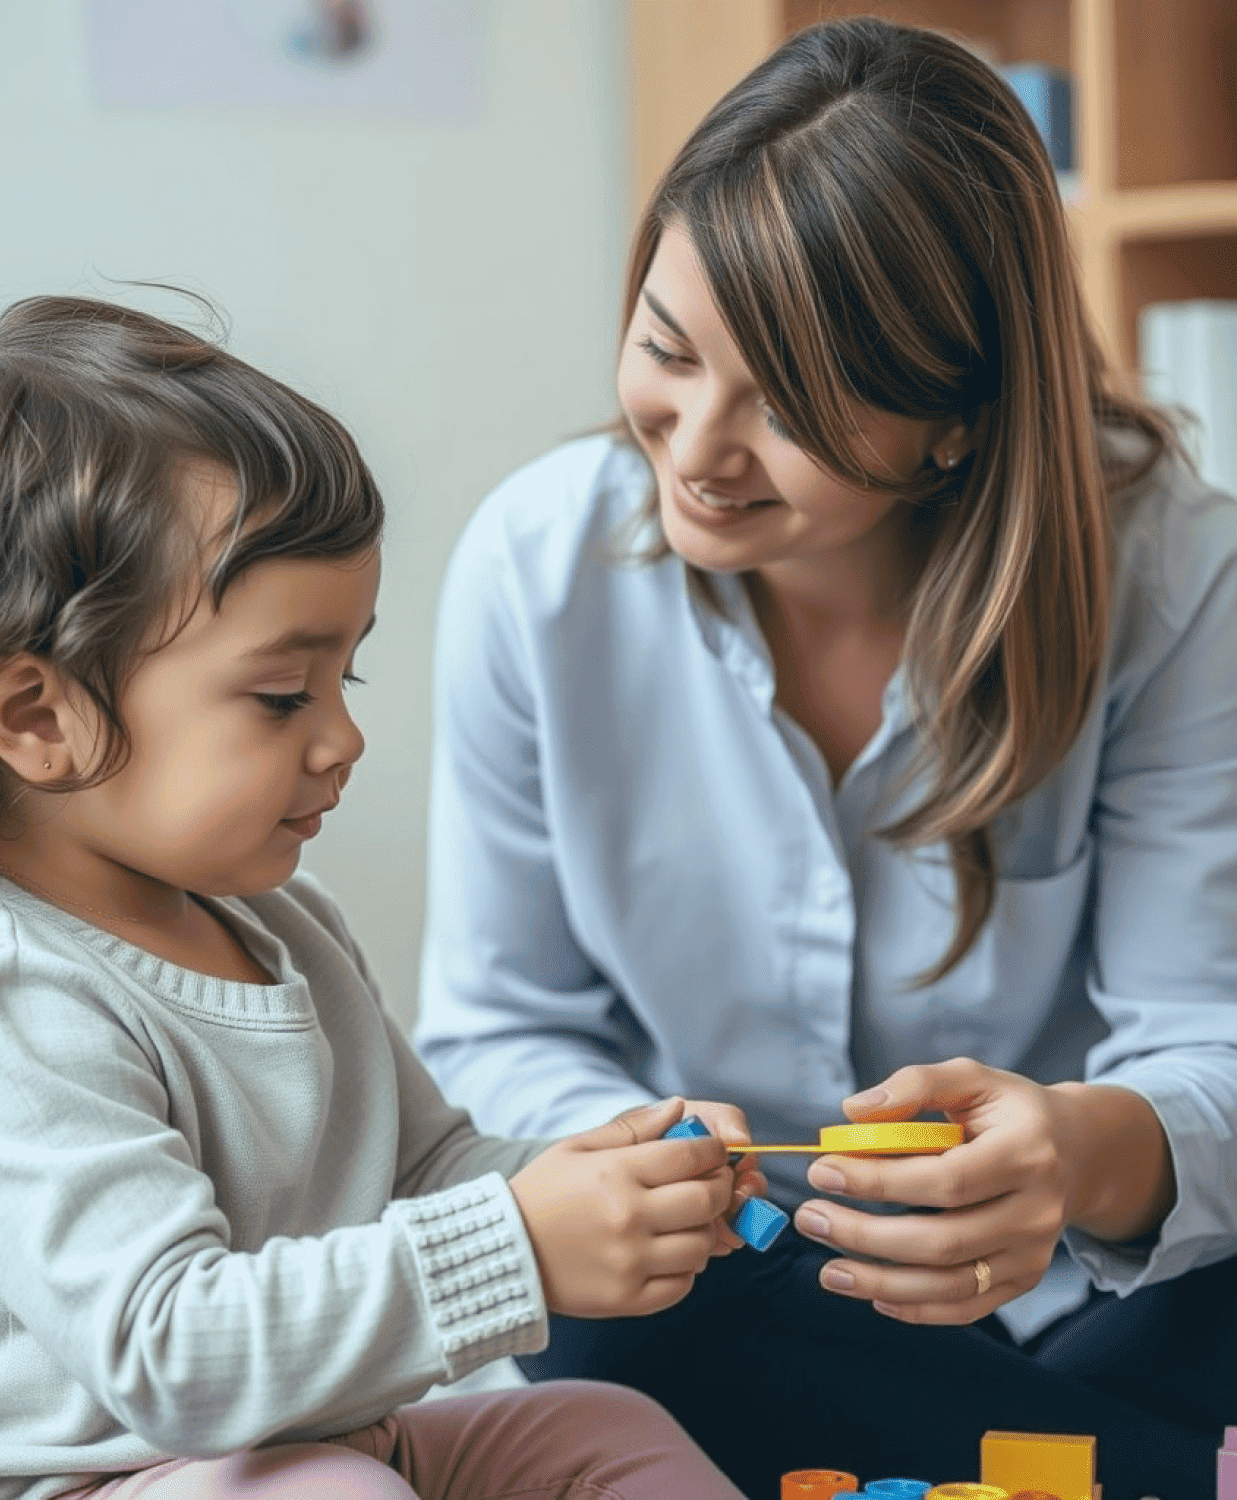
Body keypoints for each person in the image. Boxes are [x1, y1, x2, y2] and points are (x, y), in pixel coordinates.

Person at [0, 297, 759, 1500]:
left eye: (348, 671)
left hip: (307, 1449)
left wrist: (593, 1175)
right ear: (35, 716)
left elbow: (428, 1168)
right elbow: (178, 1361)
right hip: (83, 1481)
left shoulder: (285, 926)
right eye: (283, 696)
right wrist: (522, 1248)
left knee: (601, 1429)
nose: (344, 739)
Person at [415, 16, 1237, 1499]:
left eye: (788, 407)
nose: (700, 448)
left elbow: (1211, 1048)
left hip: (1096, 1305)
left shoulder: (1176, 576)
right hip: (739, 1300)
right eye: (667, 349)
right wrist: (635, 1154)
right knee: (609, 1329)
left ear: (954, 423)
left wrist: (1073, 1156)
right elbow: (491, 1029)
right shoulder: (535, 573)